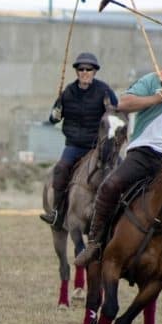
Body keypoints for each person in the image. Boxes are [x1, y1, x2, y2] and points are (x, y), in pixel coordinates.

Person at [74, 38, 162, 284]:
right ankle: (95, 244)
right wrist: (159, 97)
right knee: (110, 186)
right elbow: (123, 104)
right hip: (145, 152)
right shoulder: (153, 80)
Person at [40, 52, 119, 226]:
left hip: (97, 147)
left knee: (121, 167)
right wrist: (55, 114)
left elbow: (116, 113)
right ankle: (57, 212)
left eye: (88, 69)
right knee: (60, 169)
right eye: (81, 69)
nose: (84, 72)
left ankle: (123, 210)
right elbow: (53, 119)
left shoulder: (104, 91)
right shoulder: (67, 92)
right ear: (77, 71)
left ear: (94, 71)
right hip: (74, 145)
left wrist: (111, 111)